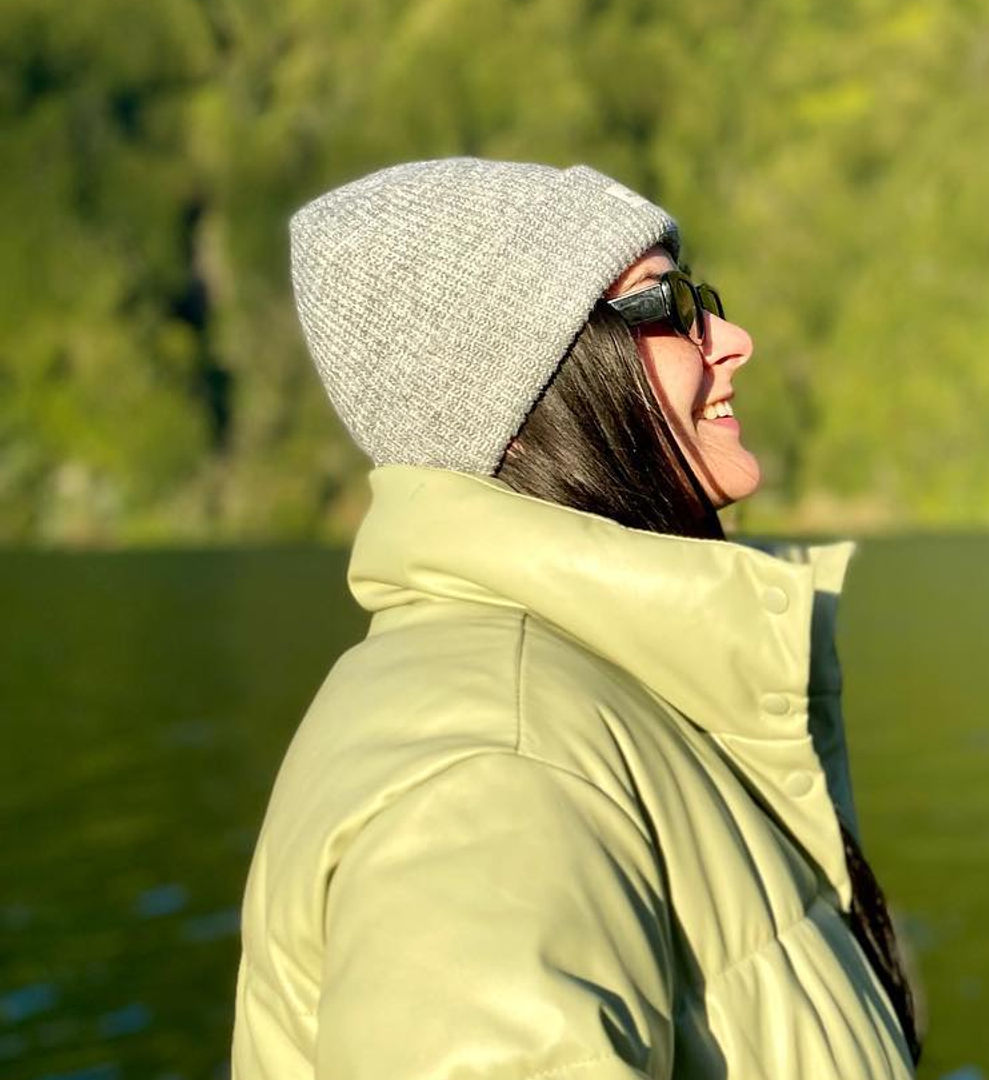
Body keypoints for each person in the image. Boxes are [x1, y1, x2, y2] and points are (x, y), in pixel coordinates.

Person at [229, 157, 925, 1079]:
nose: (733, 338)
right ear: (510, 408)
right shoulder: (495, 772)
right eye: (664, 306)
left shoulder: (594, 691)